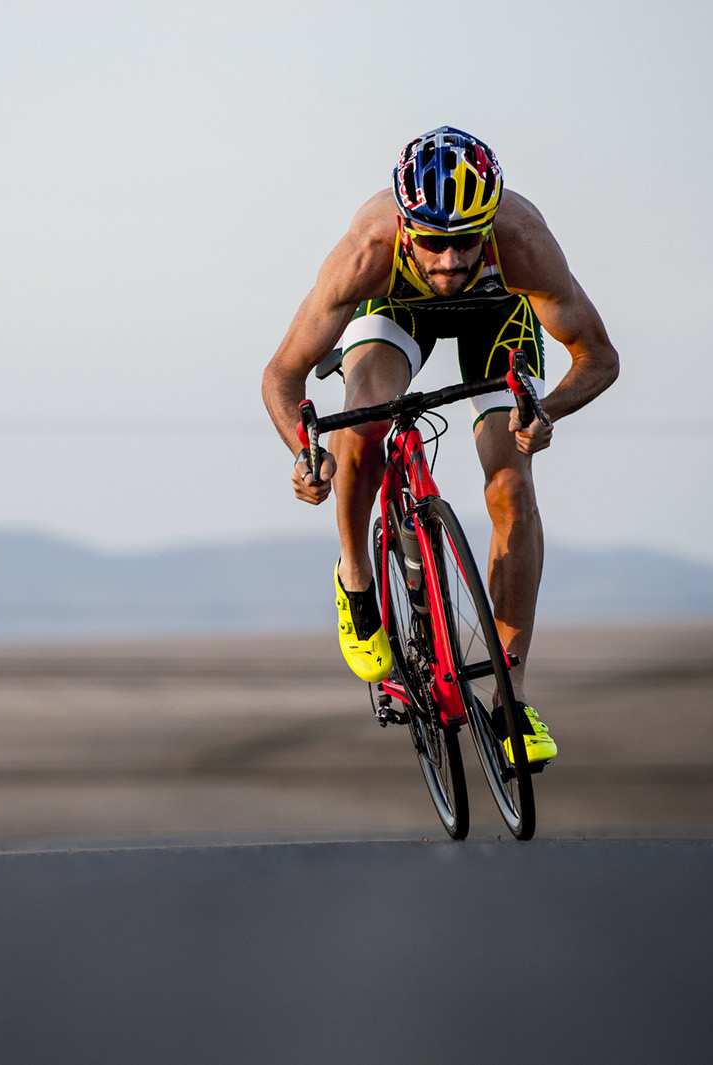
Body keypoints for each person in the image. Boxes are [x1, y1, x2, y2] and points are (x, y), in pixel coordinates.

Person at [260, 126, 619, 764]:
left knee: (511, 482)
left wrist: (547, 411)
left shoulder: (524, 245)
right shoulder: (368, 250)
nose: (451, 262)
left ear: (489, 225)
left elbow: (598, 358)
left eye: (465, 243)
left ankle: (511, 698)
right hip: (395, 309)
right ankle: (355, 575)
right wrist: (302, 450)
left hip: (498, 312)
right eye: (432, 244)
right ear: (404, 226)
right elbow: (282, 375)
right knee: (363, 418)